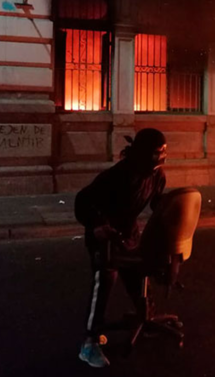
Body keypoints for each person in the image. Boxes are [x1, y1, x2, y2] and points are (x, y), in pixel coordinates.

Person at [75, 128, 167, 368]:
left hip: (129, 234)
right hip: (105, 236)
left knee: (138, 280)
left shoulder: (156, 175)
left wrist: (174, 211)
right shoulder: (118, 176)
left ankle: (146, 320)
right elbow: (83, 202)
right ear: (145, 153)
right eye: (158, 153)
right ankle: (89, 343)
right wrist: (97, 225)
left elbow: (157, 202)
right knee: (104, 284)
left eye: (164, 151)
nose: (162, 157)